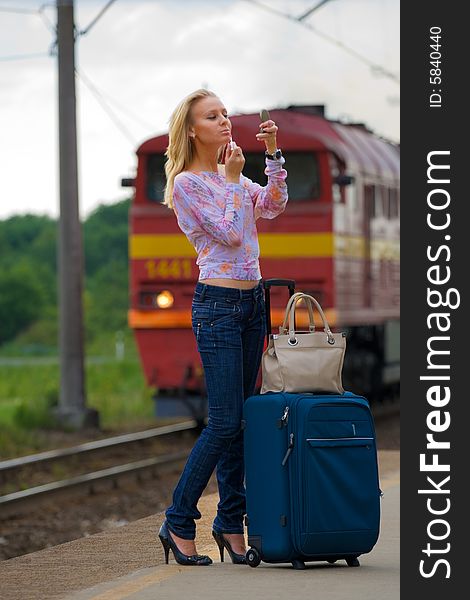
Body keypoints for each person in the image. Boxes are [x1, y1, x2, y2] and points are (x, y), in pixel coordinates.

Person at [158, 89, 288, 566]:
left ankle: (231, 522)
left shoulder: (229, 176)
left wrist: (272, 156)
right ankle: (178, 518)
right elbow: (231, 232)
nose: (225, 121)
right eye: (212, 117)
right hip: (217, 306)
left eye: (225, 113)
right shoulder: (188, 185)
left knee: (241, 422)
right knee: (224, 422)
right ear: (192, 129)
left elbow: (272, 206)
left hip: (252, 303)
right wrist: (234, 182)